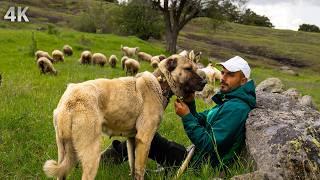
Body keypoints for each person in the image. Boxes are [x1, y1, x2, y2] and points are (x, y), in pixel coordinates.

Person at [101, 56, 256, 171]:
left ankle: (104, 161)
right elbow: (202, 120)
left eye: (230, 75)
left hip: (198, 166)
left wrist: (187, 116)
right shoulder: (229, 102)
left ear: (243, 81)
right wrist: (189, 104)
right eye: (223, 73)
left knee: (147, 137)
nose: (223, 78)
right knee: (146, 136)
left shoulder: (237, 108)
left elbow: (210, 145)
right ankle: (112, 160)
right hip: (195, 157)